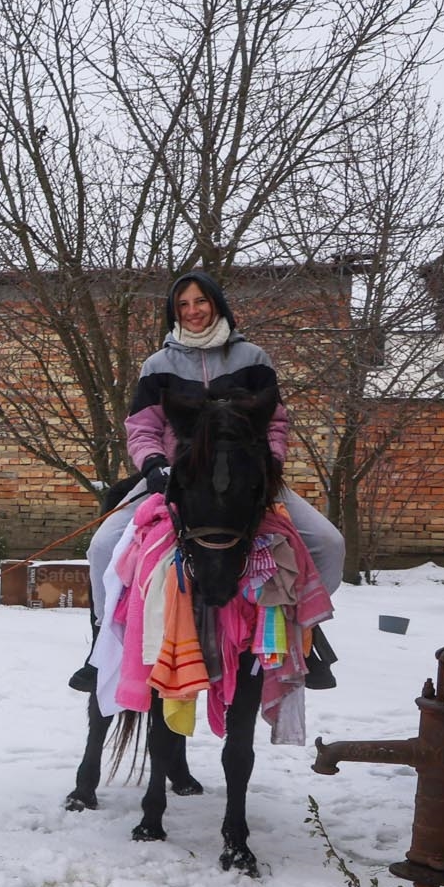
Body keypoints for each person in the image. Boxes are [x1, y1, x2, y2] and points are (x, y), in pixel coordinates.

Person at [81, 269, 343, 688]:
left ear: (217, 304)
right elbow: (142, 428)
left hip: (248, 477)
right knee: (102, 547)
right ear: (173, 312)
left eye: (200, 301)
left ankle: (305, 628)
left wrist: (268, 467)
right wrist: (152, 465)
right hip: (175, 477)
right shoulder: (158, 365)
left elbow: (275, 423)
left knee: (330, 543)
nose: (192, 311)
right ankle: (101, 646)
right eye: (182, 305)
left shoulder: (252, 358)